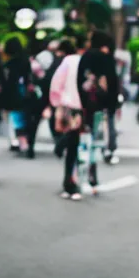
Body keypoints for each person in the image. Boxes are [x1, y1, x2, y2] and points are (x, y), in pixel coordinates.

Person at [77, 30, 120, 180]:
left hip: (88, 100)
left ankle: (86, 153)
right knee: (108, 126)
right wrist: (115, 102)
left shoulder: (86, 56)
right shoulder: (107, 58)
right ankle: (108, 150)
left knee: (88, 128)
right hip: (105, 100)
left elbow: (79, 79)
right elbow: (113, 81)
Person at [49, 39, 85, 200]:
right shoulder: (83, 61)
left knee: (71, 143)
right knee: (74, 145)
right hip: (81, 108)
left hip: (67, 106)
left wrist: (56, 103)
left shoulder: (66, 62)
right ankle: (70, 182)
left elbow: (56, 84)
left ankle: (60, 145)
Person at [0, 36, 36, 156]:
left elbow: (3, 80)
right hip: (25, 93)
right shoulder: (25, 60)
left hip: (13, 93)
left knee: (16, 117)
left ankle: (20, 142)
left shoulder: (8, 63)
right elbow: (29, 77)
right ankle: (25, 142)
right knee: (26, 118)